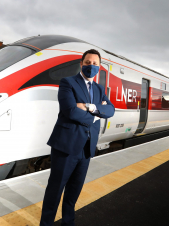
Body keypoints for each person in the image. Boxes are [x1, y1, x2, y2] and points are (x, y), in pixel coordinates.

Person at [40, 49, 115, 226]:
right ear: (81, 64)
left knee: (73, 192)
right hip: (66, 146)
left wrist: (89, 107)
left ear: (99, 67)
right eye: (88, 63)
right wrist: (98, 112)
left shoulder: (98, 88)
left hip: (87, 148)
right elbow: (70, 111)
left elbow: (110, 110)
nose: (91, 66)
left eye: (95, 64)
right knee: (55, 191)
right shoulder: (68, 82)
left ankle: (68, 223)